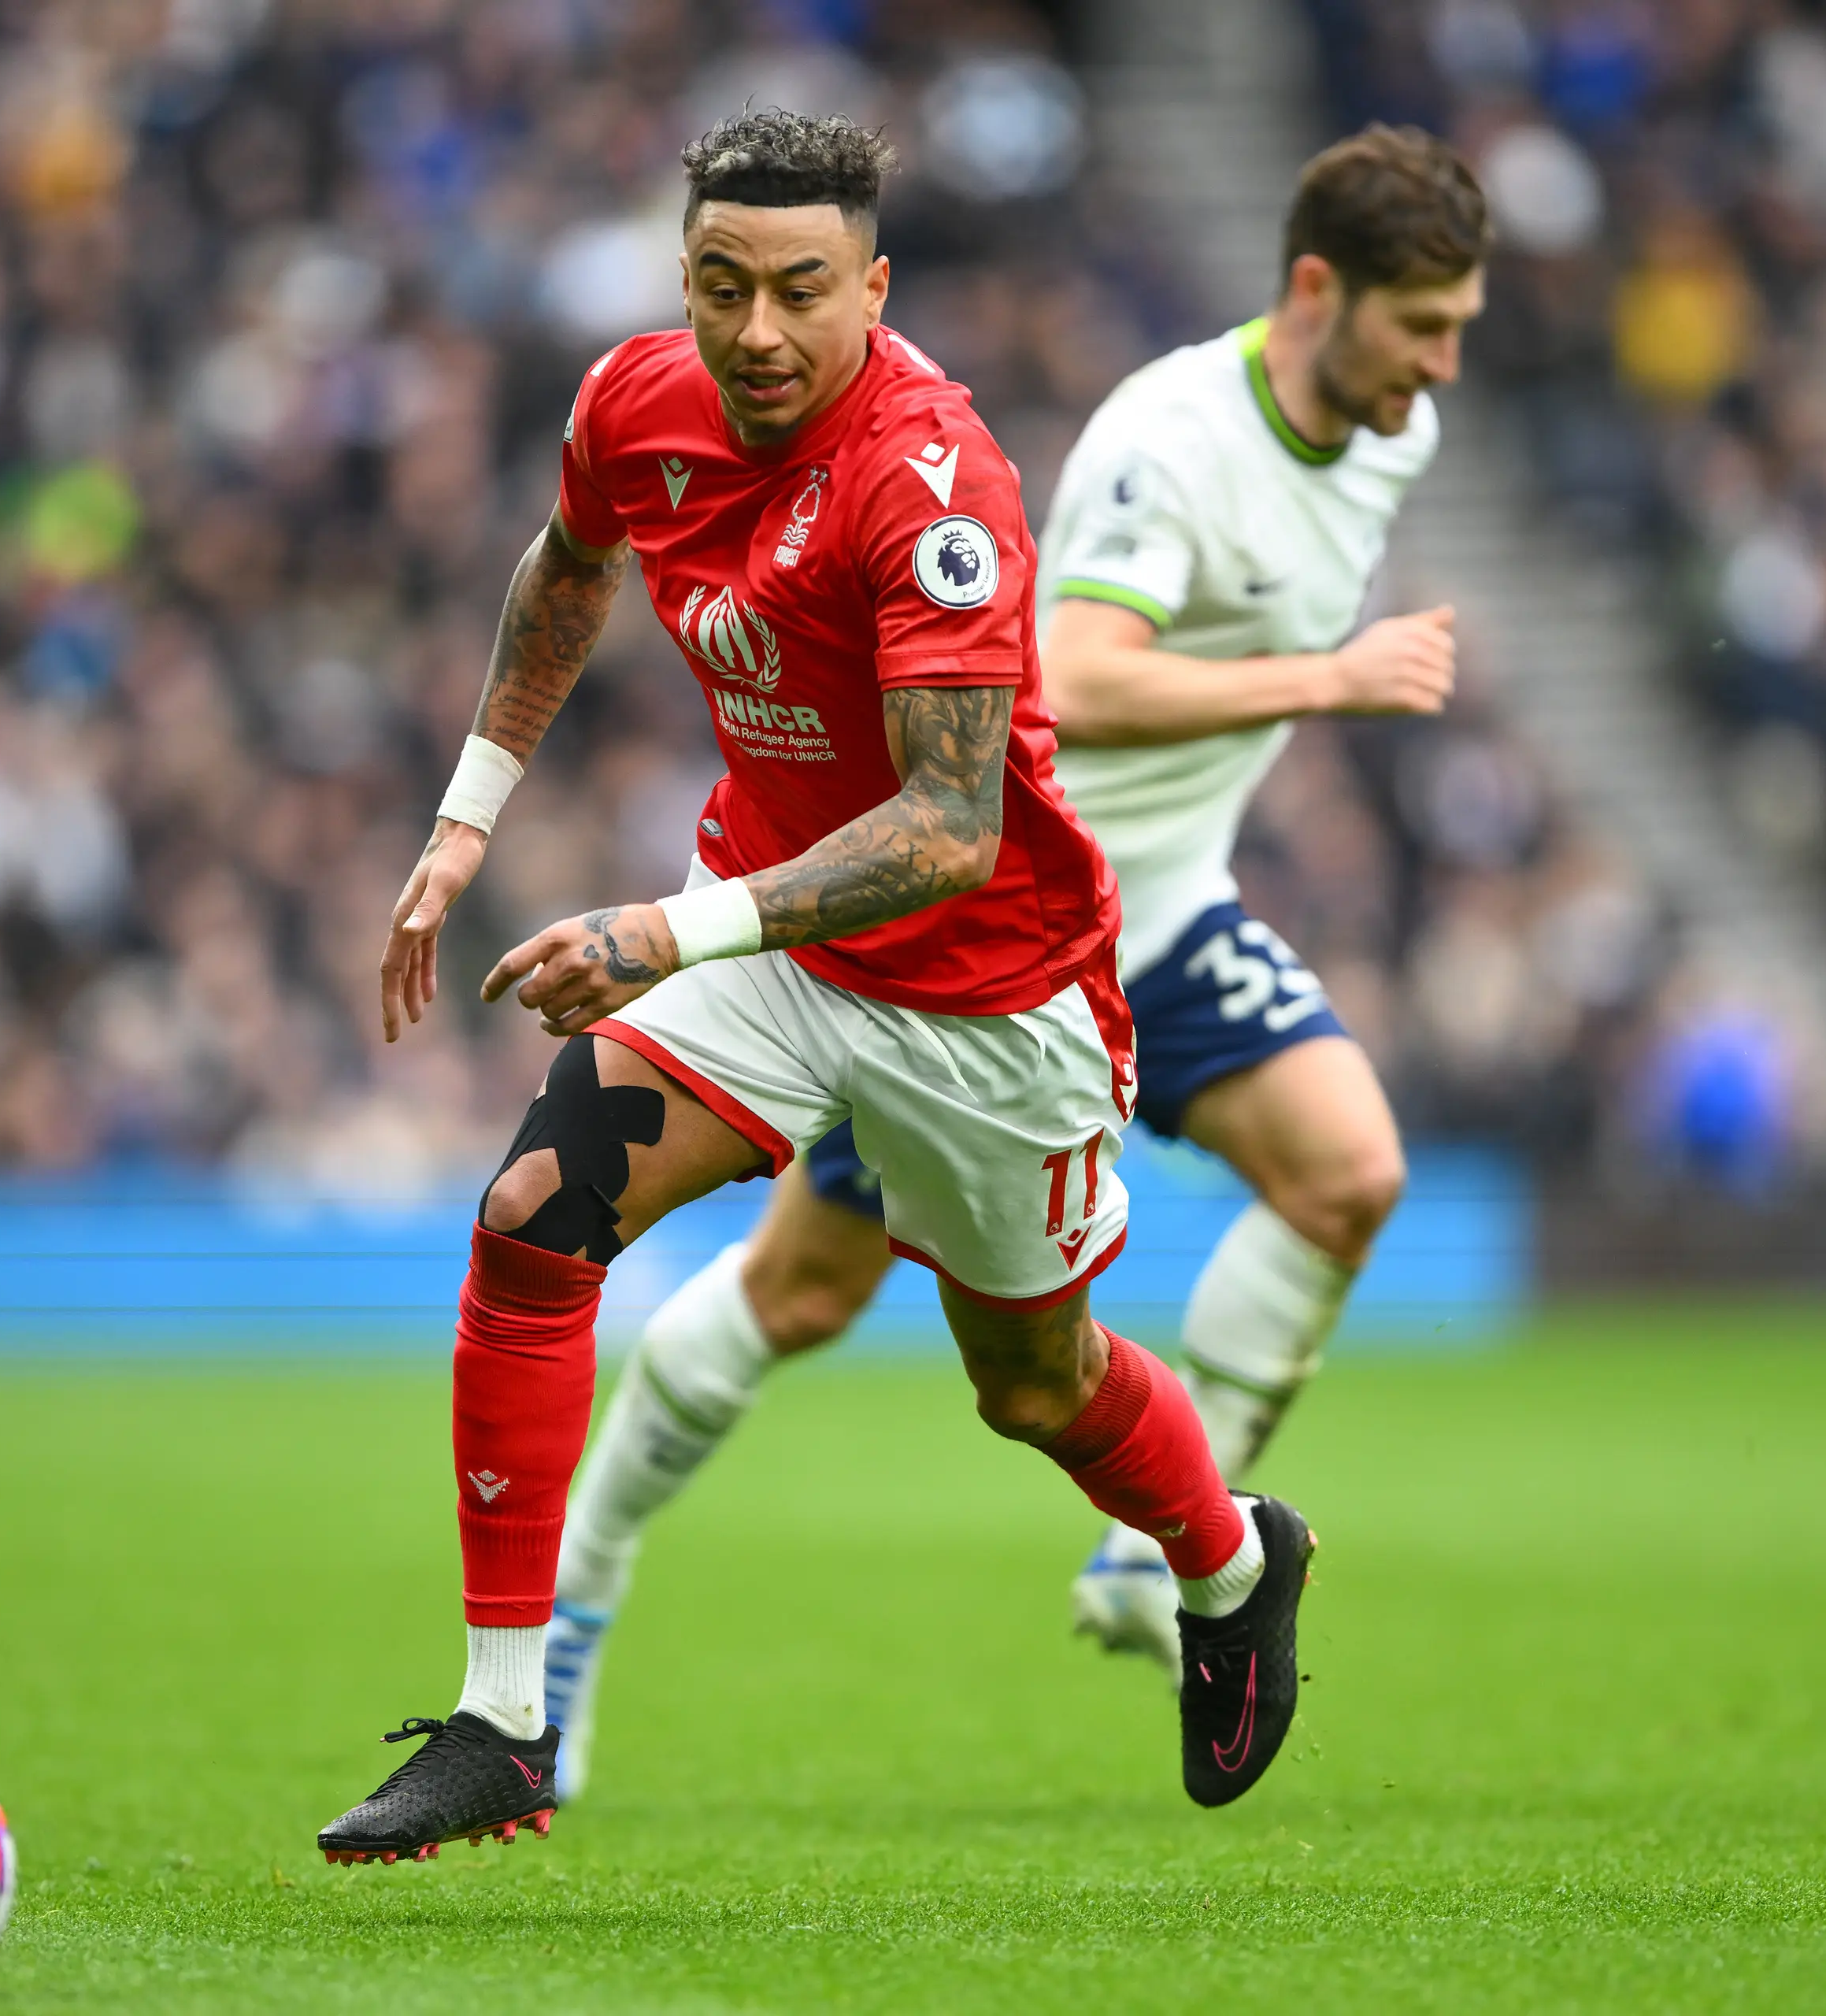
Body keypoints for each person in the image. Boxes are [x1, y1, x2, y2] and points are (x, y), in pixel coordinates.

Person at [317, 111, 1314, 1866]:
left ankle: (1234, 1562)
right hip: (774, 949)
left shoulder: (934, 485)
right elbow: (566, 570)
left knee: (1034, 1384)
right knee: (536, 1214)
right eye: (723, 286)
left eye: (801, 290)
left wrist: (665, 932)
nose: (759, 331)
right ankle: (503, 1721)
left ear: (875, 287)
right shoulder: (635, 401)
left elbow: (947, 828)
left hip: (989, 993)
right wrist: (472, 813)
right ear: (683, 279)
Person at [541, 126, 1492, 1803]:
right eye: (1422, 327)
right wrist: (1328, 678)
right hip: (988, 946)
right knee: (804, 1291)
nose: (1442, 367)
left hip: (1165, 910)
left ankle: (1160, 1560)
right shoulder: (1174, 441)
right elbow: (1081, 676)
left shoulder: (1387, 433)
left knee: (1349, 1172)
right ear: (1318, 290)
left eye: (1459, 329)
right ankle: (572, 1618)